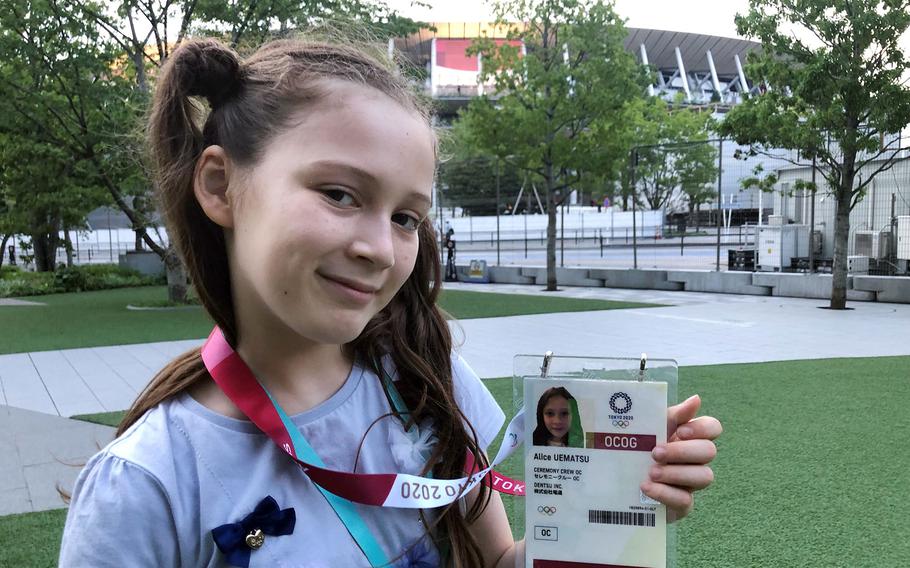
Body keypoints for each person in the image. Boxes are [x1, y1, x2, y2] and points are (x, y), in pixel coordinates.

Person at [59, 36, 722, 568]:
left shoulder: (426, 377)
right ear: (220, 184)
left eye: (407, 218)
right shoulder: (144, 486)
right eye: (340, 194)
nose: (380, 248)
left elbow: (496, 560)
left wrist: (607, 512)